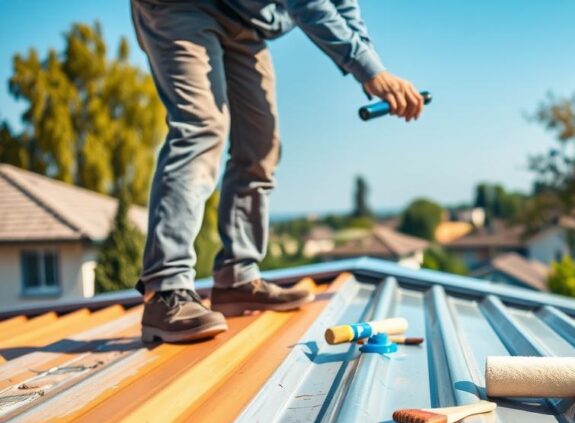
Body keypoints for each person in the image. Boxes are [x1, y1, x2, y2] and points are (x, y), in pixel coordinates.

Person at [131, 0, 423, 343]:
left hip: (246, 23)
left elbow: (343, 6)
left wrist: (374, 66)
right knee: (202, 127)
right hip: (183, 8)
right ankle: (167, 289)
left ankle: (237, 278)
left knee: (261, 146)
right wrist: (369, 70)